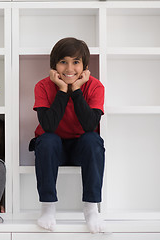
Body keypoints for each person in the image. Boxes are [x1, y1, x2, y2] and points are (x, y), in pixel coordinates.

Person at [29, 37, 105, 233]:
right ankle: (47, 207)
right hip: (54, 148)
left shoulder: (95, 86)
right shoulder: (43, 86)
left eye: (76, 62)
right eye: (63, 62)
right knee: (47, 139)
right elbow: (49, 126)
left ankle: (91, 208)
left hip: (82, 147)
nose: (69, 68)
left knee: (93, 139)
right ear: (54, 65)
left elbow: (90, 125)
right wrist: (63, 90)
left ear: (85, 67)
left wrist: (76, 90)